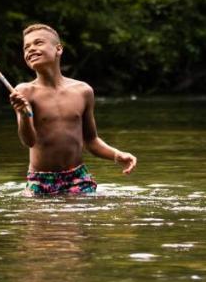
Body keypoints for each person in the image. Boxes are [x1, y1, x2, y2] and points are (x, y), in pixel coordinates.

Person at [8, 23, 137, 196]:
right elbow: (28, 141)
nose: (30, 49)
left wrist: (117, 155)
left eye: (38, 43)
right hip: (40, 181)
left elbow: (91, 140)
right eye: (26, 47)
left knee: (76, 221)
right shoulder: (24, 92)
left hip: (78, 178)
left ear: (58, 49)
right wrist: (23, 115)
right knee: (38, 222)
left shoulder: (83, 91)